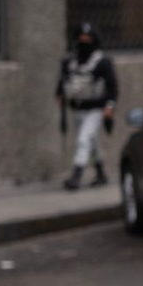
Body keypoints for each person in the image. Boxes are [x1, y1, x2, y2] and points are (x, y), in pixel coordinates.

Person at [55, 23, 117, 190]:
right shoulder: (71, 61)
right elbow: (63, 82)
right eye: (81, 39)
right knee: (92, 141)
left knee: (83, 140)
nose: (84, 43)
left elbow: (112, 86)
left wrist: (109, 107)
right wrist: (60, 94)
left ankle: (76, 175)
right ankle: (101, 173)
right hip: (77, 108)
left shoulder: (101, 61)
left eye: (87, 39)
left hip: (95, 109)